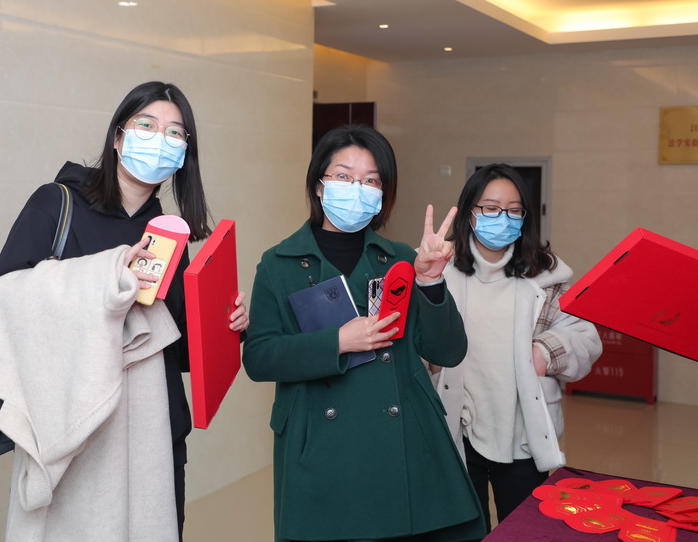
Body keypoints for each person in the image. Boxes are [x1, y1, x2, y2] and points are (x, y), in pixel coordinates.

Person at [0, 80, 249, 538]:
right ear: (118, 137)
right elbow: (1, 299)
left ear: (185, 153)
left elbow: (178, 347)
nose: (160, 139)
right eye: (146, 125)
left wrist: (227, 322)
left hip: (155, 435)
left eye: (175, 133)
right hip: (74, 430)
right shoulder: (57, 203)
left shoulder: (169, 232)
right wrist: (106, 275)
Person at [242, 125, 486, 542]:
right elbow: (259, 357)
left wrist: (429, 282)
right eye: (343, 176)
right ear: (318, 185)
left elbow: (448, 351)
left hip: (404, 442)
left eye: (371, 181)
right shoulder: (278, 264)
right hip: (319, 445)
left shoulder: (401, 259)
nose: (357, 189)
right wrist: (338, 342)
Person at [434, 163, 602, 534]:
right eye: (491, 208)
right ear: (469, 212)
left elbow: (586, 336)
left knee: (524, 531)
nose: (503, 218)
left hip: (523, 435)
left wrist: (545, 351)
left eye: (513, 210)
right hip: (458, 430)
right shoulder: (440, 270)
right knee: (465, 531)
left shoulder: (546, 274)